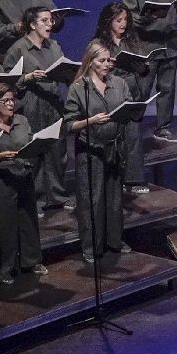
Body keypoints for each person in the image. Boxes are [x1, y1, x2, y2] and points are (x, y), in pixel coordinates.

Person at [64, 40, 131, 262]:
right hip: (89, 151)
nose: (106, 64)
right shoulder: (79, 88)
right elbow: (68, 124)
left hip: (114, 147)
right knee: (91, 200)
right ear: (90, 62)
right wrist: (90, 121)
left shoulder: (119, 83)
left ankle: (114, 240)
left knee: (114, 198)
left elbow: (128, 107)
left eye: (108, 60)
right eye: (101, 61)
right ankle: (91, 247)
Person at [4, 4, 73, 212]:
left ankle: (58, 196)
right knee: (33, 152)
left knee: (57, 150)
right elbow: (5, 82)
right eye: (44, 20)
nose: (49, 24)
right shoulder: (18, 49)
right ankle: (37, 200)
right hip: (31, 103)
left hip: (53, 101)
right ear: (32, 24)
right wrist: (27, 77)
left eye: (50, 20)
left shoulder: (54, 46)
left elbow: (63, 67)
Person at [0, 85, 45, 284]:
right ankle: (4, 269)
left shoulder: (22, 121)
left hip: (22, 175)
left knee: (28, 220)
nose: (11, 104)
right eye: (5, 101)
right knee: (2, 227)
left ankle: (31, 261)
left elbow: (30, 141)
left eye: (12, 99)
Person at [121, 0, 177, 141]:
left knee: (167, 88)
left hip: (169, 43)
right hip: (146, 45)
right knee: (143, 88)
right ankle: (134, 124)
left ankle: (163, 126)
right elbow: (129, 16)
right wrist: (147, 17)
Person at [94, 3, 150, 194]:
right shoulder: (99, 43)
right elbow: (92, 67)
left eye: (126, 20)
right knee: (113, 137)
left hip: (131, 93)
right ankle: (113, 179)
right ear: (108, 22)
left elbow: (143, 67)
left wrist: (143, 68)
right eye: (119, 20)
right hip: (110, 92)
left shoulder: (132, 42)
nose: (123, 24)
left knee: (133, 136)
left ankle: (134, 180)